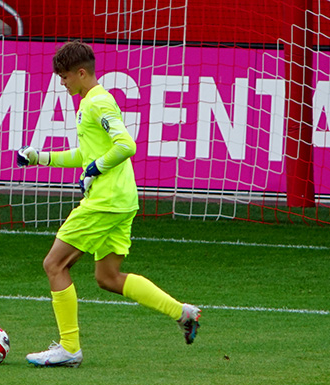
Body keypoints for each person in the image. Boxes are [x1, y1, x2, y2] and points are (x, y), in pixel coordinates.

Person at [17, 40, 200, 368]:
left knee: (54, 265)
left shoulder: (97, 103)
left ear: (81, 72)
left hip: (106, 201)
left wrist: (95, 170)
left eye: (65, 76)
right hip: (123, 200)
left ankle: (69, 348)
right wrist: (40, 158)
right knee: (108, 277)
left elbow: (125, 145)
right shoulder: (91, 102)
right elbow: (85, 155)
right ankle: (182, 312)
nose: (62, 82)